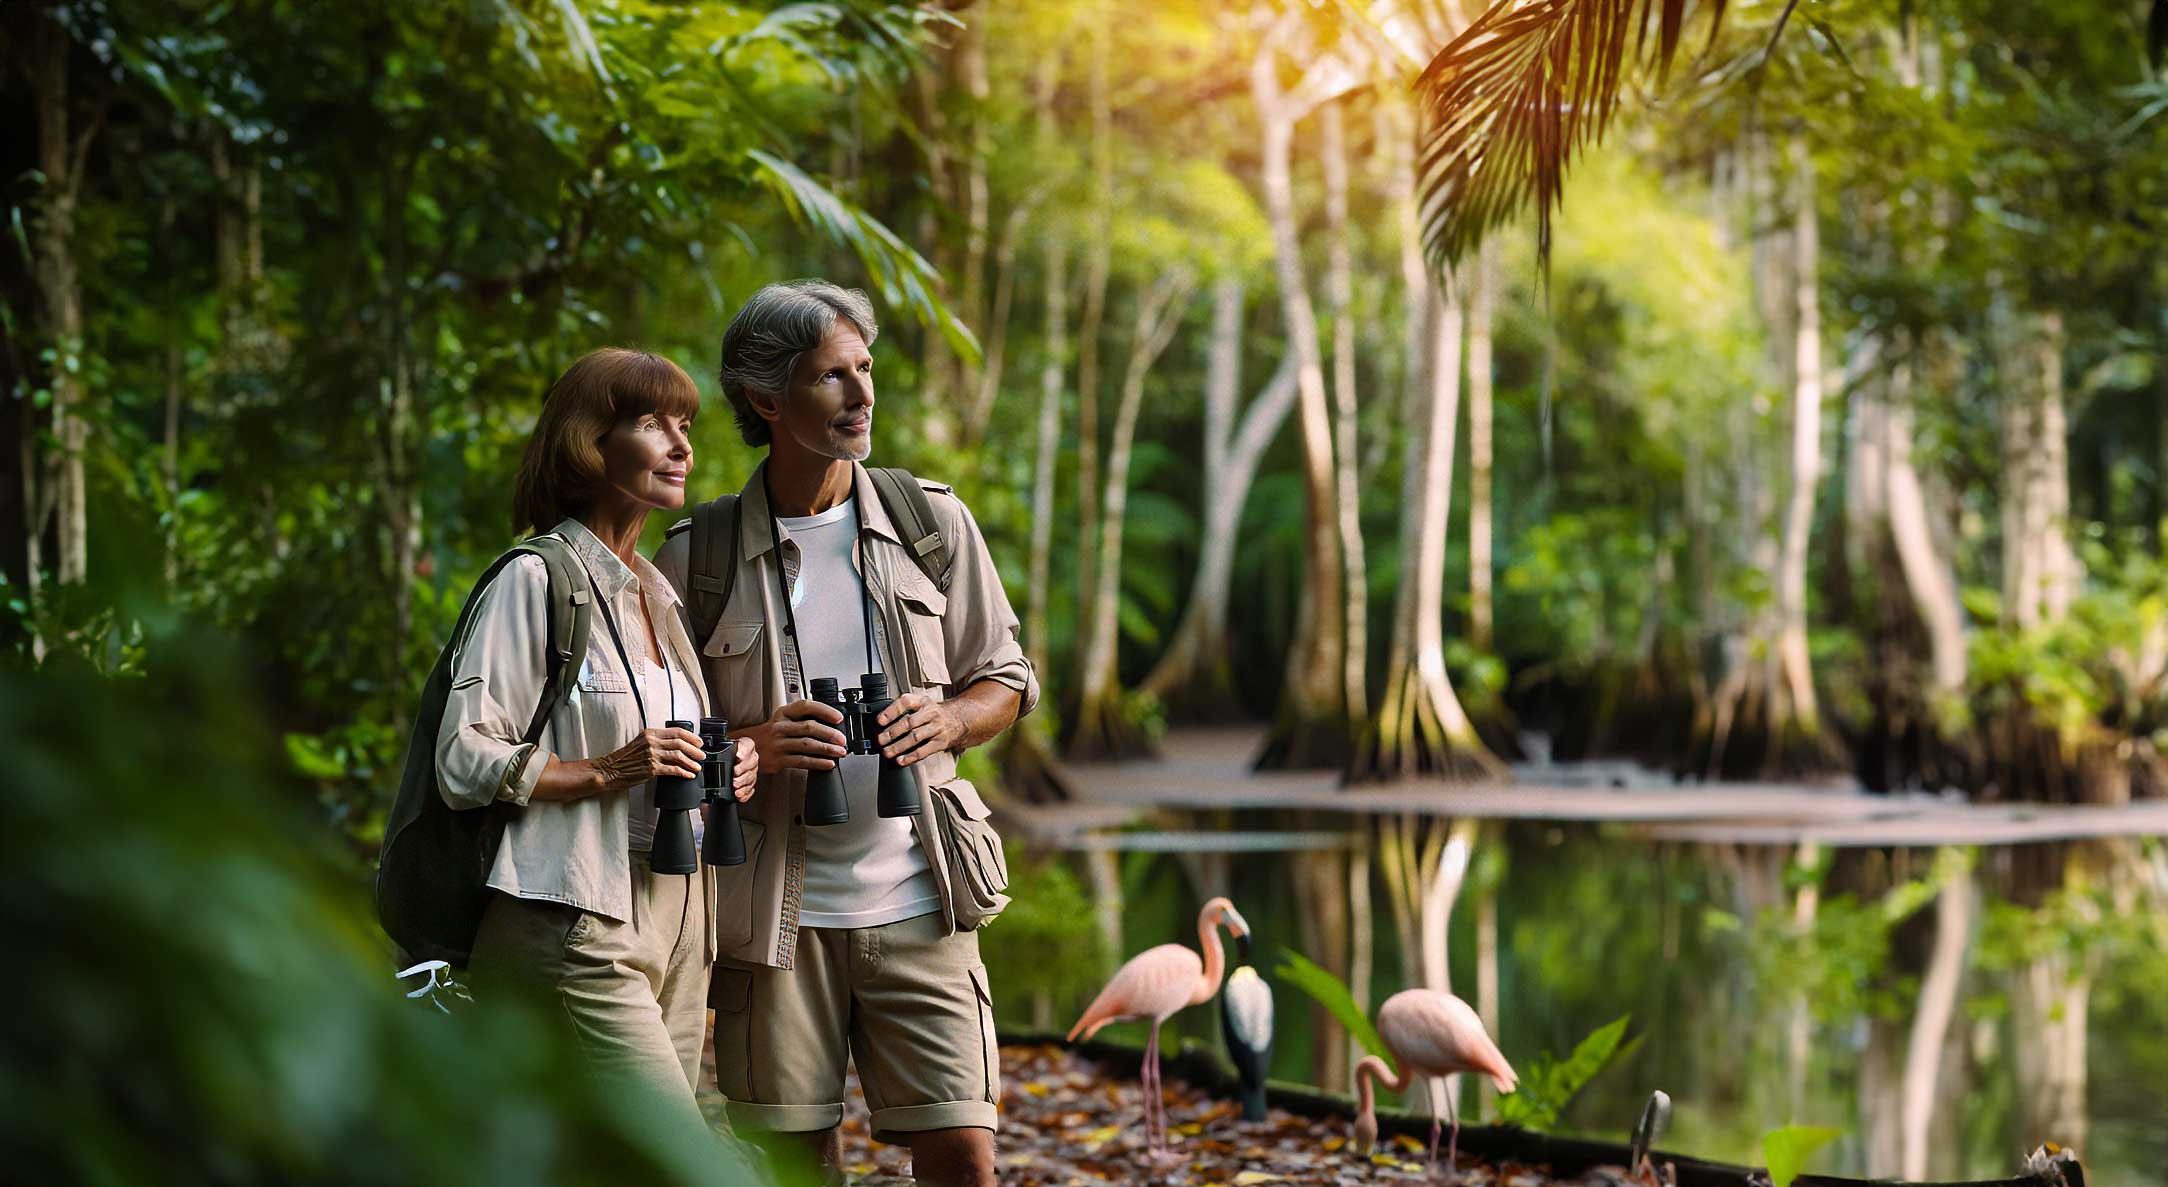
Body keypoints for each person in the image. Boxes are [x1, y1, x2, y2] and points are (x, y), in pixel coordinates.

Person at [656, 282, 1036, 1187]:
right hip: (774, 923)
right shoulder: (696, 555)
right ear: (766, 399)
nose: (863, 394)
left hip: (923, 898)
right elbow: (664, 743)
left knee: (964, 1157)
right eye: (833, 376)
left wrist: (948, 714)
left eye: (865, 369)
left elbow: (1008, 679)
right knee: (796, 1167)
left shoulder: (930, 522)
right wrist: (755, 740)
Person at [437, 347, 760, 1118]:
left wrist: (733, 767)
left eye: (685, 424)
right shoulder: (534, 579)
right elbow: (464, 755)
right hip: (578, 914)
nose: (682, 445)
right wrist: (606, 770)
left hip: (681, 916)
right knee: (671, 1154)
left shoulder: (657, 595)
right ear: (590, 441)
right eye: (653, 424)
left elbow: (664, 753)